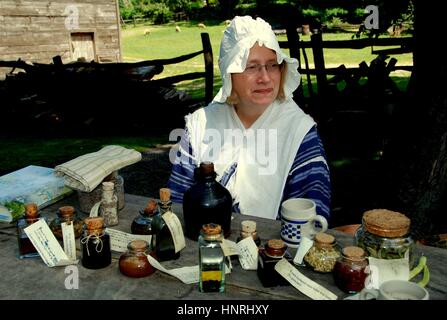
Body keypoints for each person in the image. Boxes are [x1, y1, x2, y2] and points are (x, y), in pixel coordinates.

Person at [167, 16, 331, 221]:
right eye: (251, 67)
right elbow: (176, 204)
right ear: (230, 74)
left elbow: (311, 218)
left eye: (272, 65)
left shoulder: (298, 131)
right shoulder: (200, 125)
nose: (265, 77)